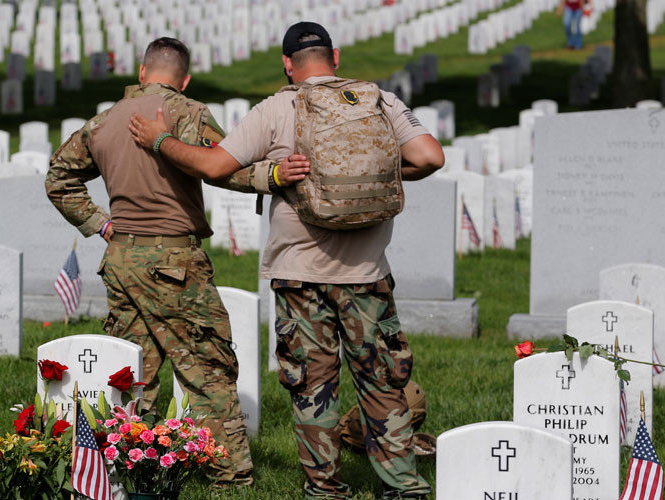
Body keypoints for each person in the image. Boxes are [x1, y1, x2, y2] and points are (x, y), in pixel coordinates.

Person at [129, 22, 444, 500]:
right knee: (381, 383)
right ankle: (403, 487)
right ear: (334, 57)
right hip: (368, 276)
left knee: (312, 389)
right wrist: (374, 170)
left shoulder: (277, 108)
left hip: (299, 276)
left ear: (286, 64)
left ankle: (324, 490)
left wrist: (159, 140)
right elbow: (430, 157)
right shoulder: (378, 99)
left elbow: (214, 166)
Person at [45, 37, 253, 487]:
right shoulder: (188, 113)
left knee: (133, 371)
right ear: (185, 79)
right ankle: (228, 475)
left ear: (141, 73)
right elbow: (229, 167)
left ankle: (122, 470)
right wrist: (277, 176)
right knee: (205, 364)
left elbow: (58, 178)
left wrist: (101, 223)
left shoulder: (101, 123)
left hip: (120, 259)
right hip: (175, 262)